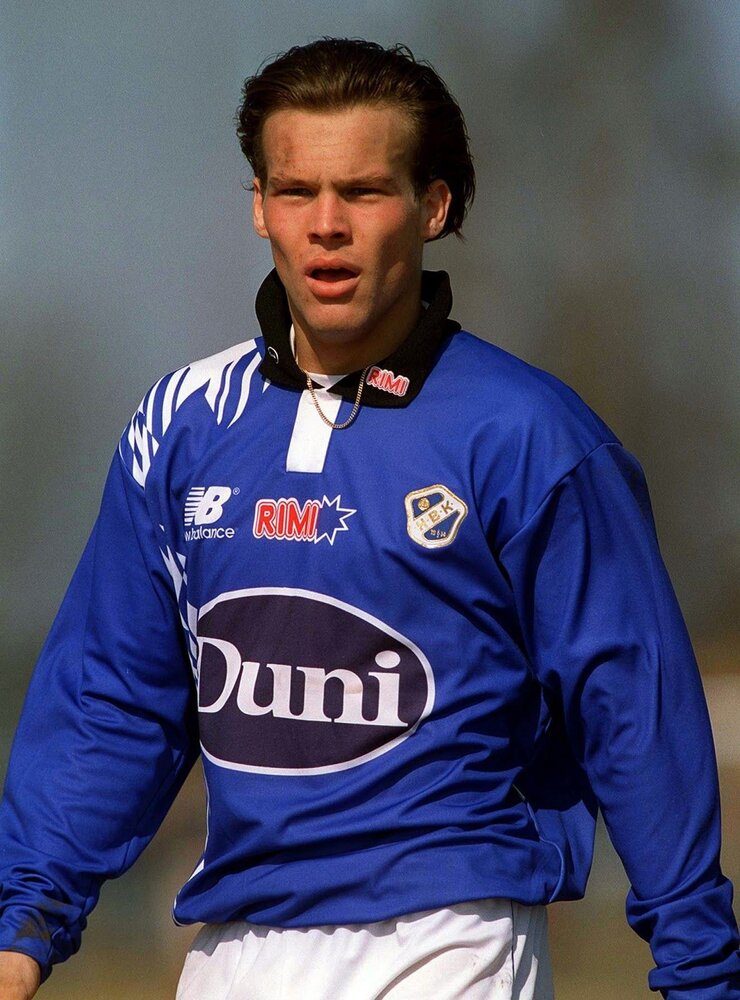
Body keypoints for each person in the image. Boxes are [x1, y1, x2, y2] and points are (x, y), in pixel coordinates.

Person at [0, 37, 737, 1000]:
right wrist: (24, 921)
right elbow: (116, 698)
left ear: (434, 208)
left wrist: (699, 964)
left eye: (364, 191)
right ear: (259, 205)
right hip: (234, 947)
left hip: (450, 940)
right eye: (295, 191)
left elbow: (631, 706)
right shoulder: (180, 425)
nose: (326, 226)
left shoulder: (529, 435)